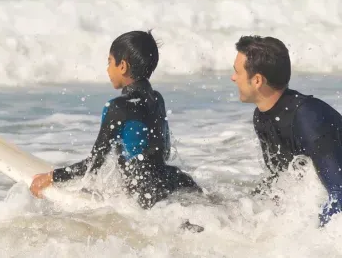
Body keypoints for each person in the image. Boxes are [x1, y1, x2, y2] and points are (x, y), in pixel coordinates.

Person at [30, 30, 200, 209]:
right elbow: (163, 152)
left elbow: (93, 165)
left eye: (109, 62)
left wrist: (51, 177)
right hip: (173, 180)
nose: (107, 69)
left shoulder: (118, 107)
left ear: (123, 66)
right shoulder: (157, 99)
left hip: (145, 194)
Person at [231, 35, 342, 226]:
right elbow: (283, 182)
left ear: (257, 80)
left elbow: (339, 192)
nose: (233, 78)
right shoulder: (262, 116)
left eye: (237, 72)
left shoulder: (308, 117)